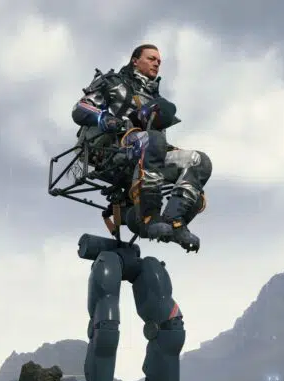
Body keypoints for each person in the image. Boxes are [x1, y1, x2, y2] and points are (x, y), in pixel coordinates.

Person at [70, 44, 212, 251]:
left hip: (147, 150)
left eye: (159, 61)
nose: (156, 63)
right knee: (153, 140)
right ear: (135, 60)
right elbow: (80, 108)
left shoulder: (155, 99)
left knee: (200, 161)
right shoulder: (114, 83)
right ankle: (149, 217)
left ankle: (175, 221)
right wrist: (104, 118)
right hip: (112, 150)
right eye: (151, 58)